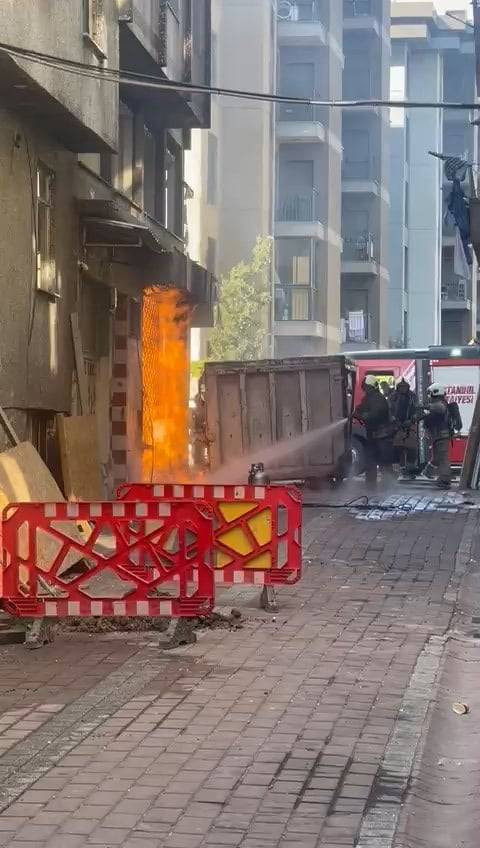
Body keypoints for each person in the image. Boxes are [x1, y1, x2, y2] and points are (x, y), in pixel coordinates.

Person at [354, 375, 393, 485]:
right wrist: (357, 412)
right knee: (370, 461)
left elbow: (374, 415)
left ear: (370, 387)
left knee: (383, 462)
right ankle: (371, 485)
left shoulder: (378, 399)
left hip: (382, 436)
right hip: (373, 436)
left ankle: (389, 485)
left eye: (366, 387)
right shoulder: (369, 398)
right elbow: (360, 408)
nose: (364, 389)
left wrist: (361, 416)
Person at [422, 383, 462, 489]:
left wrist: (424, 406)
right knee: (437, 457)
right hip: (438, 436)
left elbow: (439, 408)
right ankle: (428, 472)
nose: (429, 396)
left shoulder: (440, 404)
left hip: (441, 435)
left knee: (443, 458)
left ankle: (444, 479)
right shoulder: (439, 404)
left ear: (435, 392)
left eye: (430, 393)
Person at [390, 377, 419, 479]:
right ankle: (399, 470)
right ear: (398, 387)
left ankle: (410, 471)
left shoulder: (413, 396)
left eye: (404, 386)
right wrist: (393, 419)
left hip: (410, 425)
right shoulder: (393, 397)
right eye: (401, 386)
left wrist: (412, 420)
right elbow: (389, 410)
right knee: (398, 448)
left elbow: (417, 410)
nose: (403, 388)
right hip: (396, 426)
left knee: (411, 448)